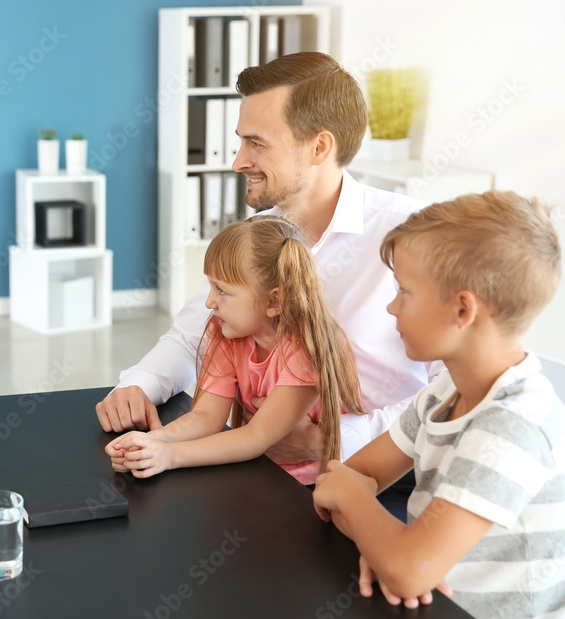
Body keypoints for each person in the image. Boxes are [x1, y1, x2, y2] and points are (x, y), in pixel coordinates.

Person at [97, 52, 437, 473]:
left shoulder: (411, 234)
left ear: (320, 146)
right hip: (271, 468)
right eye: (241, 140)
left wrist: (334, 441)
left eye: (256, 143)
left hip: (384, 473)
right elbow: (192, 337)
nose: (238, 161)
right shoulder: (258, 237)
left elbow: (455, 387)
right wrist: (137, 386)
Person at [312, 191, 565, 618]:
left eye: (404, 291)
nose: (391, 306)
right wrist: (388, 549)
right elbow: (335, 485)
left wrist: (390, 546)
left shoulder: (512, 426)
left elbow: (406, 567)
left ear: (462, 309)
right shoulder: (443, 393)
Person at [106, 216, 364, 485]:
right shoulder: (225, 334)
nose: (209, 302)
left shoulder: (306, 350)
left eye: (223, 291)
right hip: (256, 468)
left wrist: (168, 455)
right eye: (211, 286)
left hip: (311, 486)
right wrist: (150, 441)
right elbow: (206, 416)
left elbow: (256, 436)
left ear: (274, 301)